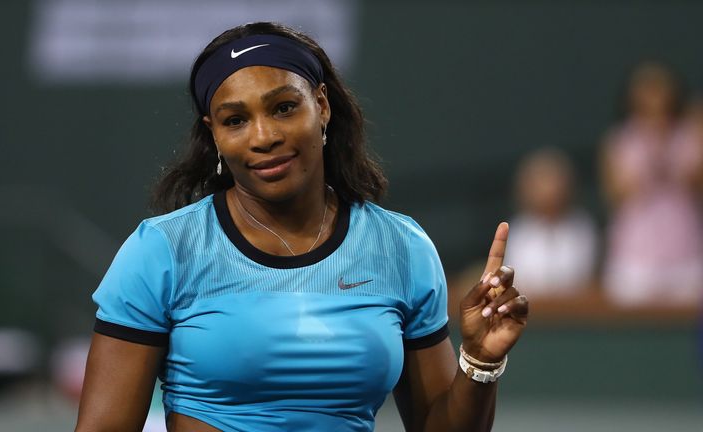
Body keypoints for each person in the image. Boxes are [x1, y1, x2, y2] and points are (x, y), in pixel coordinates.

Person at [75, 22, 529, 432]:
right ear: (214, 134)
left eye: (284, 108)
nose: (264, 136)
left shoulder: (400, 247)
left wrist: (480, 361)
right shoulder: (162, 250)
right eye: (236, 120)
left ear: (322, 105)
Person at [600, 62, 703, 307]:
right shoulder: (620, 140)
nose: (654, 96)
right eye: (646, 89)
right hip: (635, 255)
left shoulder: (690, 135)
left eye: (659, 88)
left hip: (685, 250)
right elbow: (615, 194)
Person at [505, 148, 598, 298]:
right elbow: (514, 280)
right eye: (541, 180)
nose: (549, 189)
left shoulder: (582, 227)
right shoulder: (517, 230)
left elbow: (581, 278)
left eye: (554, 180)